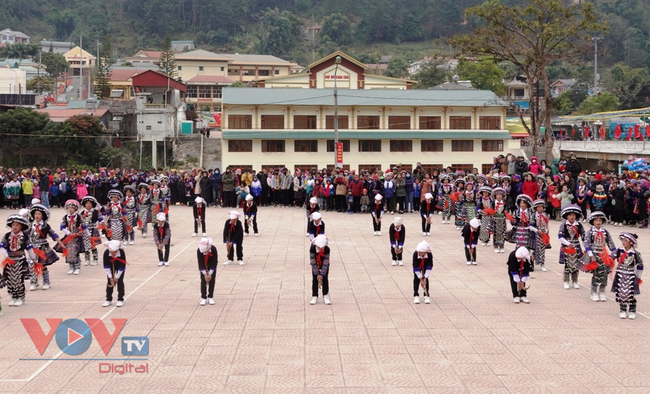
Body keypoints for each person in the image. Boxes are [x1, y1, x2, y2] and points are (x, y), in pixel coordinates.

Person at [1, 215, 36, 307]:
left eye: (17, 225)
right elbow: (2, 247)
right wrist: (6, 256)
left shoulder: (25, 236)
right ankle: (13, 296)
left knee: (19, 279)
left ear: (21, 226)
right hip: (9, 261)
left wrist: (33, 258)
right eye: (13, 225)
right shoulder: (7, 236)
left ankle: (20, 297)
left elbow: (29, 248)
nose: (15, 227)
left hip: (20, 260)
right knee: (10, 279)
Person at [581, 211, 616, 302]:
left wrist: (614, 253)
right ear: (593, 221)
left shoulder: (605, 232)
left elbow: (610, 243)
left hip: (604, 255)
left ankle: (602, 291)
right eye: (596, 220)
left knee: (604, 273)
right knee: (596, 273)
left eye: (600, 220)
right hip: (594, 254)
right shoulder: (590, 232)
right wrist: (591, 255)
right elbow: (586, 243)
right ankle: (594, 292)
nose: (598, 222)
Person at [28, 204, 61, 291]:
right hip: (33, 248)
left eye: (39, 214)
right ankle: (33, 282)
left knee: (42, 265)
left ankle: (46, 282)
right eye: (35, 214)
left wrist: (60, 242)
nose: (37, 216)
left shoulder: (45, 225)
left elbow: (53, 234)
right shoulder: (31, 225)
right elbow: (26, 235)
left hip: (42, 247)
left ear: (42, 215)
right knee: (31, 265)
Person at [611, 232, 643, 319]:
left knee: (631, 293)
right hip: (620, 273)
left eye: (626, 240)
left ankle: (632, 311)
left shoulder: (635, 253)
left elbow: (640, 265)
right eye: (622, 240)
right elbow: (611, 257)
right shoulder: (619, 251)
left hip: (631, 274)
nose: (623, 242)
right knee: (621, 293)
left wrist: (638, 276)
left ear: (631, 242)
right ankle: (623, 310)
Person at [558, 204, 585, 290]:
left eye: (573, 215)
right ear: (567, 216)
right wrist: (567, 243)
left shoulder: (579, 225)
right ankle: (566, 281)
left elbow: (584, 237)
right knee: (568, 264)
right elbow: (560, 237)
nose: (572, 217)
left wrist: (586, 247)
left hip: (576, 246)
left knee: (576, 264)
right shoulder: (564, 225)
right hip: (567, 247)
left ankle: (575, 281)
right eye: (570, 215)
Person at [60, 199, 86, 275]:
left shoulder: (78, 217)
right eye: (69, 207)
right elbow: (62, 227)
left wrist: (86, 234)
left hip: (77, 236)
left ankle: (77, 267)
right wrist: (68, 233)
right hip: (68, 237)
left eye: (72, 207)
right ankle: (71, 267)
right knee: (69, 251)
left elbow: (83, 226)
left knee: (76, 251)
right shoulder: (65, 217)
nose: (70, 209)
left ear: (75, 208)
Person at [102, 240, 126, 307]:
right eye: (111, 252)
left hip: (119, 266)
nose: (113, 253)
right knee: (110, 282)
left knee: (120, 281)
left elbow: (122, 266)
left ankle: (120, 299)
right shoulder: (106, 253)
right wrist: (110, 277)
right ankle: (108, 299)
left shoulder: (121, 252)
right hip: (110, 266)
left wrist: (117, 277)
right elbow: (106, 266)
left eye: (115, 252)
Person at [80, 196, 103, 266]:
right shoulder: (82, 212)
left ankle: (95, 259)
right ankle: (87, 259)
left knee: (93, 245)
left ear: (92, 204)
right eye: (87, 203)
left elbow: (101, 220)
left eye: (90, 203)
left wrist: (103, 226)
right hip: (84, 231)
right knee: (86, 245)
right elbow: (79, 222)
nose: (88, 205)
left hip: (93, 229)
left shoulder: (96, 212)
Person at [309, 234, 331, 305]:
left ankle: (325, 296)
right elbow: (312, 261)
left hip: (324, 264)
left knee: (325, 278)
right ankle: (314, 296)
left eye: (322, 247)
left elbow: (326, 262)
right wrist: (317, 273)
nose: (320, 249)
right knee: (315, 279)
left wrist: (322, 274)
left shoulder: (327, 249)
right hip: (315, 263)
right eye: (319, 247)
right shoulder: (312, 248)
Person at [197, 237, 218, 306]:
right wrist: (205, 274)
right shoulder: (199, 250)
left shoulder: (214, 249)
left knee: (212, 281)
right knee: (203, 281)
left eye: (206, 251)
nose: (204, 253)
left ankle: (210, 296)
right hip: (203, 267)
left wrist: (210, 274)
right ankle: (203, 297)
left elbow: (214, 262)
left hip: (211, 266)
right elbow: (200, 262)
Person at [412, 240, 433, 304]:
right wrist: (421, 280)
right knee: (416, 278)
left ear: (425, 252)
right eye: (418, 252)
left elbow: (430, 265)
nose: (419, 253)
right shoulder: (415, 254)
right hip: (418, 265)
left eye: (420, 252)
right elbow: (415, 267)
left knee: (426, 280)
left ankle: (426, 294)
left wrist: (425, 278)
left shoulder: (429, 254)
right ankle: (416, 295)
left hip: (426, 264)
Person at [532, 199, 549, 272]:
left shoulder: (545, 215)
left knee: (542, 250)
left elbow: (547, 224)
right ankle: (531, 263)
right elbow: (530, 226)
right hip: (536, 234)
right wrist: (536, 231)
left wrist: (548, 231)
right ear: (536, 208)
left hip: (544, 234)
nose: (540, 208)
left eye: (541, 207)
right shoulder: (534, 215)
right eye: (538, 207)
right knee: (535, 249)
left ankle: (542, 264)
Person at [491, 187, 508, 253]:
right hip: (495, 219)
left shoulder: (504, 203)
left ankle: (501, 246)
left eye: (500, 195)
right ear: (495, 196)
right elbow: (491, 210)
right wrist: (493, 212)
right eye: (498, 195)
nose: (499, 196)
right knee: (495, 233)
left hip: (502, 219)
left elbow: (506, 210)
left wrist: (506, 214)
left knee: (502, 233)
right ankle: (495, 246)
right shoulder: (493, 202)